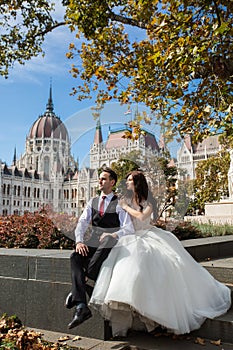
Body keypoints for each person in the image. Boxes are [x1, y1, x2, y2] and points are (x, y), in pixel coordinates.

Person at [89, 170, 231, 337]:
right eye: (126, 180)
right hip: (129, 237)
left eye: (129, 180)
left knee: (165, 263)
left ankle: (157, 312)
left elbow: (141, 218)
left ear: (137, 183)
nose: (126, 183)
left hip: (147, 236)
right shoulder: (123, 200)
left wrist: (126, 207)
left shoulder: (148, 202)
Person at [66, 167, 134, 329]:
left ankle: (80, 288)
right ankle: (82, 306)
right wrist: (79, 241)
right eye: (100, 178)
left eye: (104, 179)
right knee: (74, 257)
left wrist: (114, 234)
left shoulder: (120, 203)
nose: (100, 181)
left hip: (111, 243)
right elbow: (82, 223)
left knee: (107, 241)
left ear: (112, 182)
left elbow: (129, 228)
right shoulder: (93, 202)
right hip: (93, 242)